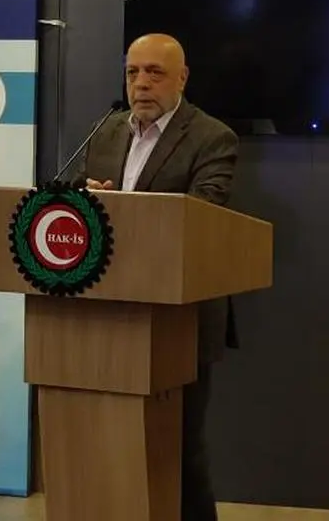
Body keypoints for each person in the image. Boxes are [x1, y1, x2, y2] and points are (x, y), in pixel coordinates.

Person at [74, 33, 238, 521]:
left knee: (179, 450)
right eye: (133, 72)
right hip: (111, 312)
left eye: (154, 72)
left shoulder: (213, 137)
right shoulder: (105, 132)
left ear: (181, 78)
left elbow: (204, 213)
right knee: (112, 449)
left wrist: (125, 211)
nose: (141, 83)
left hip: (179, 319)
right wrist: (88, 199)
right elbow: (82, 201)